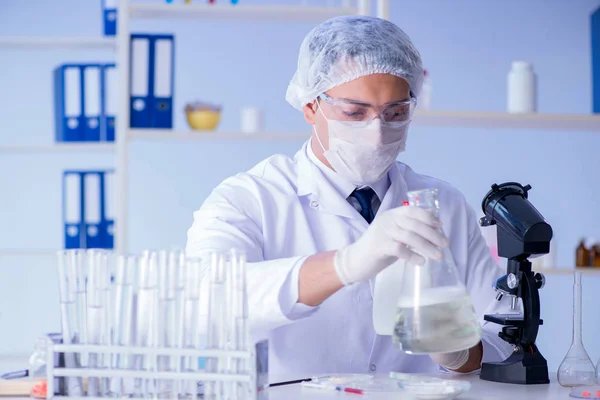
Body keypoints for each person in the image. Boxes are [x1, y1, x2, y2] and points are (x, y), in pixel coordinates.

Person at [186, 15, 515, 376]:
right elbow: (209, 303)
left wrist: (455, 351)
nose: (377, 133)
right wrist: (346, 264)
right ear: (311, 106)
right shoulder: (248, 199)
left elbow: (502, 339)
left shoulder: (445, 204)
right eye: (355, 112)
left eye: (395, 113)